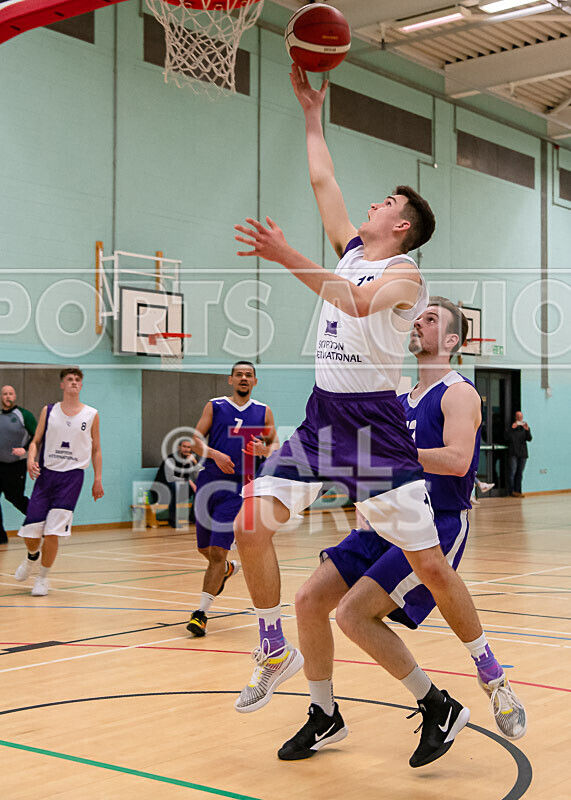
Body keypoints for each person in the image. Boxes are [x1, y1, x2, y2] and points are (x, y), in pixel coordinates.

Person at [231, 66, 517, 752]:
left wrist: (283, 254)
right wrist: (309, 115)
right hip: (324, 418)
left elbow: (353, 303)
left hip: (375, 431)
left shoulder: (403, 277)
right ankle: (274, 647)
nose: (369, 205)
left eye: (385, 201)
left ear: (403, 223)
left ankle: (486, 671)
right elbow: (323, 184)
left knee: (430, 569)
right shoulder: (356, 251)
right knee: (248, 523)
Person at [277, 298, 526, 767]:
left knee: (352, 615)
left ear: (451, 341)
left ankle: (473, 684)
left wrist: (393, 456)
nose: (419, 322)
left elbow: (455, 461)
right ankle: (324, 712)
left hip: (436, 522)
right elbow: (369, 462)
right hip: (384, 521)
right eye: (419, 316)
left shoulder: (458, 393)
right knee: (309, 601)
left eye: (431, 319)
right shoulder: (394, 398)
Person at [186, 361, 279, 637]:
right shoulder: (214, 406)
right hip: (209, 482)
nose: (243, 378)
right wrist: (215, 454)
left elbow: (275, 447)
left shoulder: (263, 412)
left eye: (248, 375)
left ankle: (200, 613)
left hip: (239, 489)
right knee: (205, 549)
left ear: (255, 382)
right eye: (239, 374)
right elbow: (194, 440)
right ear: (230, 380)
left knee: (216, 552)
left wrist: (264, 450)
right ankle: (226, 569)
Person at [13, 368, 104, 596]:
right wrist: (30, 459)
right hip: (46, 476)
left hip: (72, 478)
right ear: (62, 385)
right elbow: (35, 441)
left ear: (81, 385)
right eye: (69, 379)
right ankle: (32, 557)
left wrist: (98, 479)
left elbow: (96, 449)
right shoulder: (49, 410)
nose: (73, 382)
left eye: (77, 380)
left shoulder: (91, 414)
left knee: (53, 532)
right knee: (32, 533)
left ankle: (43, 578)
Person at [0, 385, 36, 544]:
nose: (7, 396)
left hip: (16, 465)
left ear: (14, 396)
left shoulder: (24, 415)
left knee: (15, 497)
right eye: (4, 394)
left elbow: (38, 436)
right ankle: (1, 536)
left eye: (10, 393)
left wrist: (25, 449)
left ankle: (41, 521)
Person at [153, 438, 200, 528]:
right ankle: (173, 520)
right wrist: (189, 482)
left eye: (189, 447)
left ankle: (193, 517)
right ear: (179, 447)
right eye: (184, 446)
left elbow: (200, 475)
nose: (186, 449)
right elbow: (170, 478)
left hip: (178, 492)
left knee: (198, 488)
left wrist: (195, 462)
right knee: (175, 485)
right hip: (162, 490)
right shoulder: (171, 459)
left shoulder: (190, 459)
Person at [505, 411, 532, 497]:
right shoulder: (511, 428)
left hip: (523, 453)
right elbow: (506, 438)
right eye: (518, 417)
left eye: (521, 417)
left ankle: (517, 491)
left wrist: (527, 430)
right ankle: (511, 491)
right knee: (512, 472)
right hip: (513, 453)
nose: (520, 419)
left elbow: (529, 438)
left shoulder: (525, 428)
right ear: (515, 418)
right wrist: (512, 428)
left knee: (520, 473)